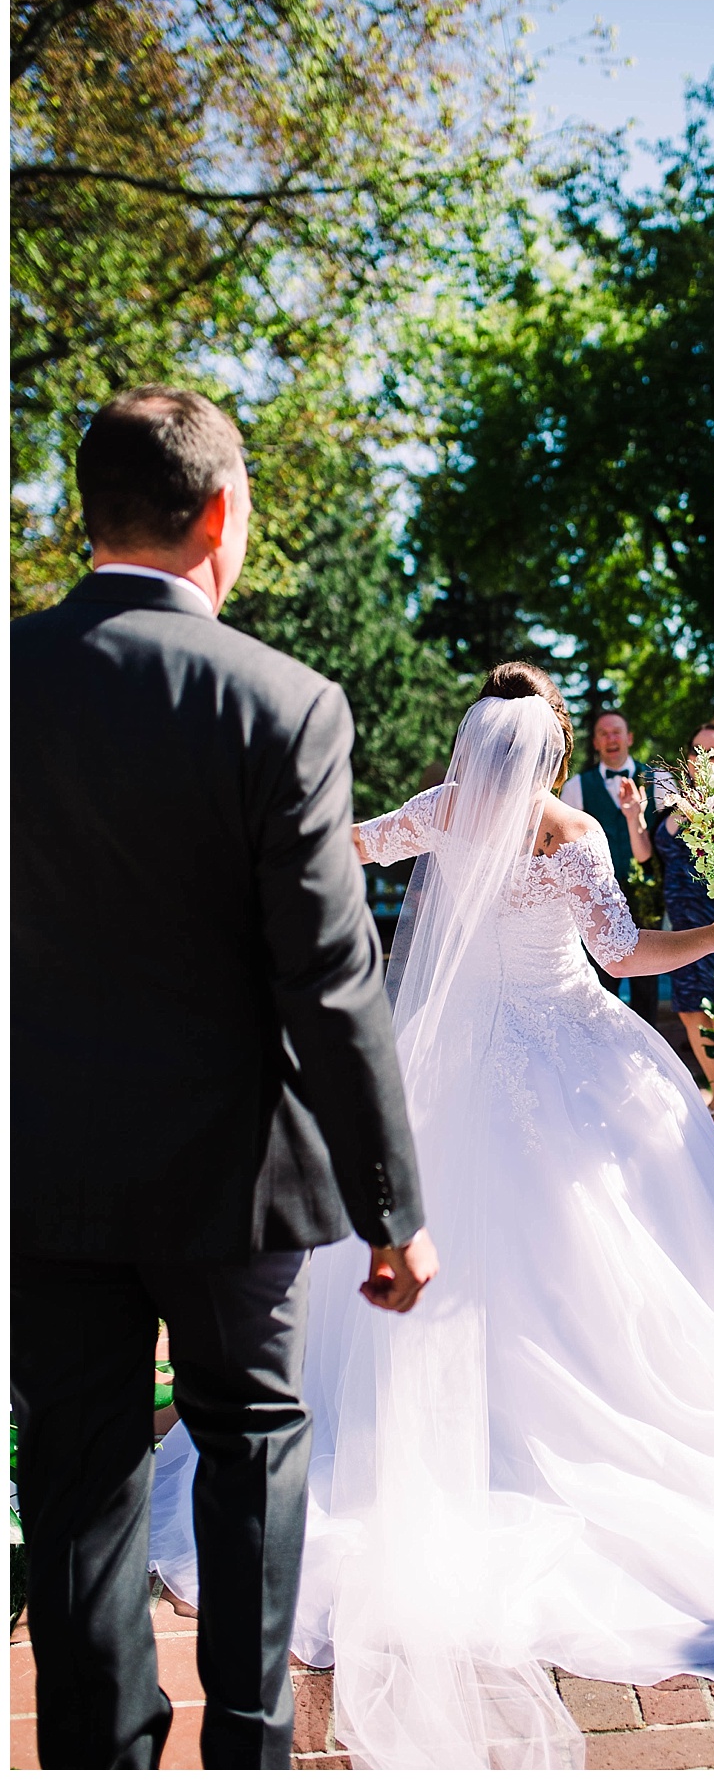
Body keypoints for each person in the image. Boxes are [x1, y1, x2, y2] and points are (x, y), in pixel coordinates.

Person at [150, 659, 714, 1771]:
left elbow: (347, 843)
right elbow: (624, 955)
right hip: (565, 1055)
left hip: (448, 1071)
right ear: (548, 749)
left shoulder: (441, 812)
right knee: (609, 1253)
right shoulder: (569, 834)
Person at [11, 387, 436, 1771]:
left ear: (93, 514)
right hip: (231, 1173)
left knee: (76, 1470)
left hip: (46, 1160)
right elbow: (329, 976)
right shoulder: (284, 701)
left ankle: (93, 1756)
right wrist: (391, 1203)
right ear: (219, 515)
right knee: (253, 1449)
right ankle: (247, 1752)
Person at [654, 720, 714, 1124]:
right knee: (690, 1010)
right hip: (682, 926)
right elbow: (649, 855)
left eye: (713, 752)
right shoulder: (673, 801)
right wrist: (631, 819)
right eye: (696, 750)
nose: (702, 759)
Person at [561, 706, 662, 1024]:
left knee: (648, 979)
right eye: (603, 734)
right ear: (595, 743)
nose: (611, 739)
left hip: (648, 897)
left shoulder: (659, 781)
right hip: (597, 899)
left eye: (616, 731)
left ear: (629, 738)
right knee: (602, 980)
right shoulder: (577, 787)